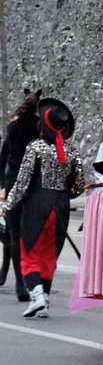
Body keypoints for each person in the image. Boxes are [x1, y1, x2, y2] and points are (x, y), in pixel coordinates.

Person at [0, 99, 84, 318]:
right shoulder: (71, 152)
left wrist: (8, 204)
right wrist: (64, 194)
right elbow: (78, 185)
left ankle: (36, 294)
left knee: (29, 251)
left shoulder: (35, 148)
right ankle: (44, 298)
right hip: (61, 206)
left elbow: (22, 181)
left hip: (37, 205)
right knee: (49, 255)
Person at [0, 90, 40, 301]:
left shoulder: (12, 127)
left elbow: (4, 154)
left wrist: (2, 184)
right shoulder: (38, 127)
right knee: (30, 234)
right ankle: (30, 279)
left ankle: (19, 284)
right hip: (32, 183)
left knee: (14, 235)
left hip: (12, 179)